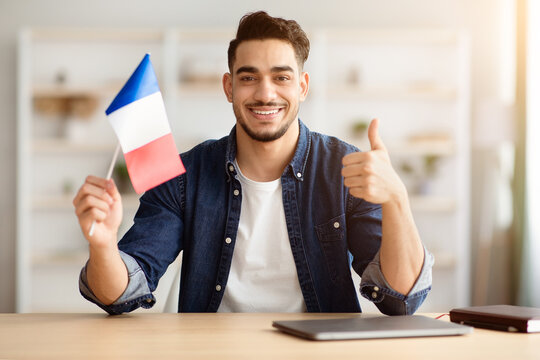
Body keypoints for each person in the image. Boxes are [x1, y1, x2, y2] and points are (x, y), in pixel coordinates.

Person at [73, 11, 433, 315]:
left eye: (281, 77)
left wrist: (397, 198)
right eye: (249, 78)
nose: (265, 93)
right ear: (229, 87)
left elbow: (400, 299)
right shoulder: (184, 176)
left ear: (302, 87)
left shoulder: (345, 168)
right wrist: (103, 244)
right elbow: (118, 295)